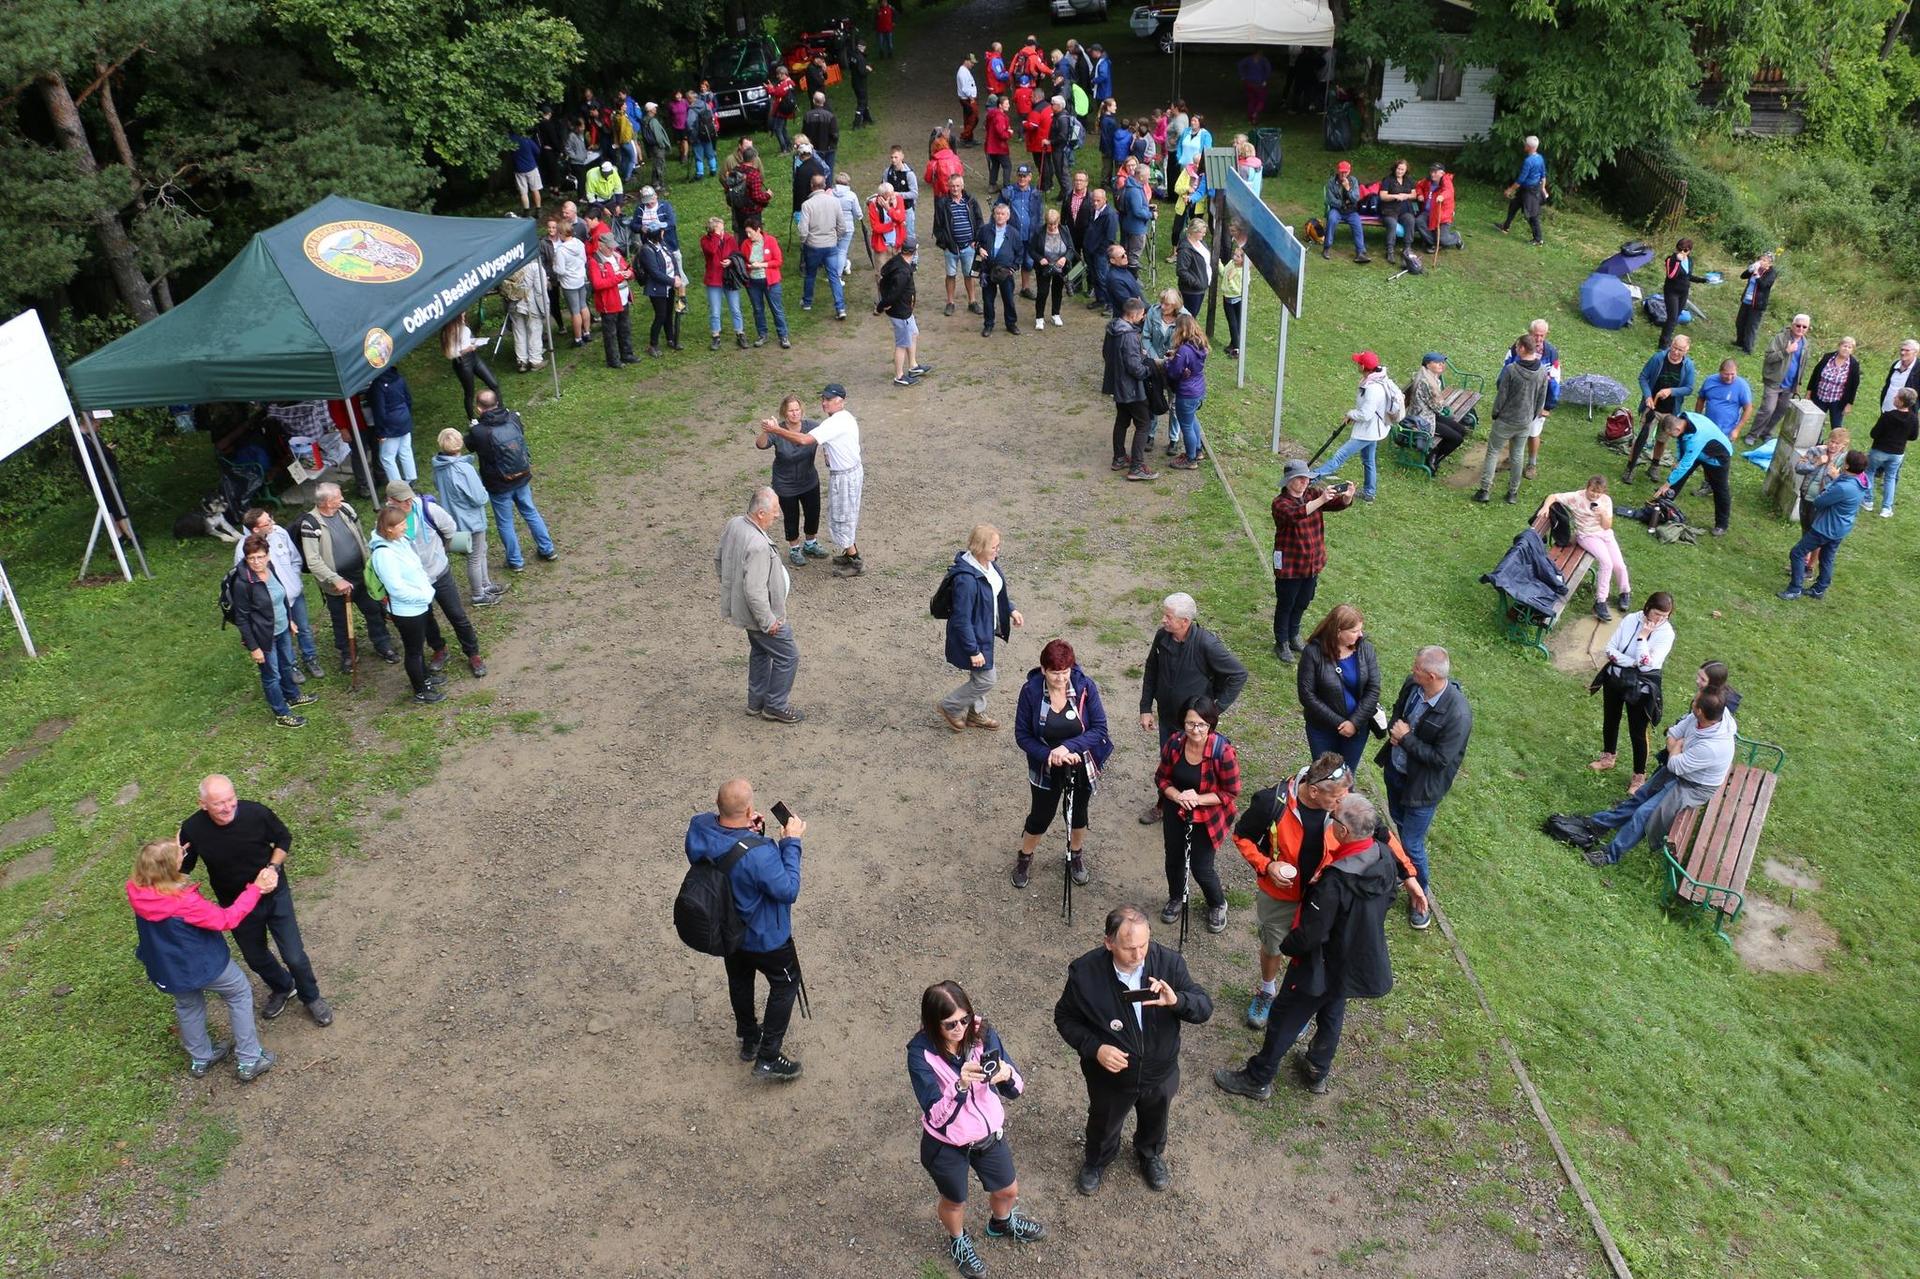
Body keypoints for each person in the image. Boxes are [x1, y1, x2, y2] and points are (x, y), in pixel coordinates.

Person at [1213, 791, 1408, 1101]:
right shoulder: (1383, 857)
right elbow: (1390, 897)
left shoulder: (1335, 881)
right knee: (1332, 1008)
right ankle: (1317, 1069)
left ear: (1343, 832)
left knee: (1283, 1016)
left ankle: (1258, 1077)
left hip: (1320, 964)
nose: (1329, 821)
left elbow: (1310, 936)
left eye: (1334, 817)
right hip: (1351, 959)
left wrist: (1287, 944)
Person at [1052, 905, 1213, 1195]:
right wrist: (1096, 1048)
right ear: (1109, 943)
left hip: (1159, 1072)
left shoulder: (1169, 964)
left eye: (1144, 945)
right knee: (1104, 1120)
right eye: (1129, 948)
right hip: (1110, 1078)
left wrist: (1177, 1001)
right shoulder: (1085, 974)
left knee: (1157, 1115)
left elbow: (1203, 1007)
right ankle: (1097, 1160)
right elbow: (1065, 1018)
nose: (1139, 956)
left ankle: (1150, 1154)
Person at [909, 982, 1044, 1279]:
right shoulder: (920, 1054)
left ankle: (1002, 1221)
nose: (961, 1028)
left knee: (1008, 1189)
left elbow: (1016, 1088)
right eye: (950, 1024)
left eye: (965, 1019)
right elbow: (936, 1117)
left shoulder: (982, 1033)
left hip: (988, 1135)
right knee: (955, 1200)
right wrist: (959, 1086)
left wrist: (1006, 1075)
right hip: (946, 1144)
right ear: (933, 1024)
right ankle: (958, 1240)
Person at [178, 774, 332, 1027]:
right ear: (203, 804)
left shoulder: (255, 814)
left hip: (273, 894)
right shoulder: (193, 829)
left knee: (293, 955)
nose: (228, 808)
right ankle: (283, 986)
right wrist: (172, 864)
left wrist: (273, 868)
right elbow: (184, 867)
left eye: (231, 800)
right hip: (236, 904)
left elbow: (284, 838)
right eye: (219, 804)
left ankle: (311, 997)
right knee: (255, 957)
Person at [127, 838, 279, 1082]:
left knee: (188, 1006)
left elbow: (160, 861)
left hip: (169, 969)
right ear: (169, 869)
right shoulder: (184, 903)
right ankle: (250, 1059)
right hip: (205, 966)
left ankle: (202, 1057)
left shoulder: (136, 889)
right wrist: (256, 889)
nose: (184, 855)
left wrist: (173, 848)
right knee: (239, 993)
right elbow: (227, 919)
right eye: (180, 855)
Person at [684, 779, 806, 1080]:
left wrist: (745, 832)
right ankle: (769, 1056)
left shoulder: (699, 827)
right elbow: (788, 889)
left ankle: (750, 1038)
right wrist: (791, 842)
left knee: (739, 980)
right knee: (786, 985)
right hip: (766, 938)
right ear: (749, 808)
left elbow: (724, 851)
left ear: (717, 804)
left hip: (728, 930)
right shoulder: (760, 854)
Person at [1582, 688, 1736, 866]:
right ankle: (1599, 824)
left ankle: (1610, 855)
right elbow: (1673, 733)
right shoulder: (1704, 716)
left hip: (1693, 786)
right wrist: (1677, 747)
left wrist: (1676, 749)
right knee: (1639, 797)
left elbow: (1675, 765)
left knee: (1644, 814)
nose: (1692, 702)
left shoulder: (1714, 746)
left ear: (1700, 710)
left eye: (1695, 701)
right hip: (1682, 770)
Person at [1377, 646, 1472, 926]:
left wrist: (1405, 739)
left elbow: (1441, 759)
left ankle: (1421, 898)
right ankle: (1403, 869)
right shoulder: (1414, 685)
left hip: (1422, 789)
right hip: (1397, 773)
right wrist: (1396, 731)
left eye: (1416, 669)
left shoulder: (1458, 715)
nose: (1411, 671)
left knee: (1412, 843)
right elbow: (1399, 710)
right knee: (1399, 823)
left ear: (1431, 676)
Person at [1137, 592, 1247, 824]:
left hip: (1194, 724)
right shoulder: (1163, 637)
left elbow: (1238, 674)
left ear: (1184, 621)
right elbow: (1151, 670)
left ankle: (1194, 807)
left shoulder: (1207, 644)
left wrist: (1215, 709)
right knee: (1168, 765)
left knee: (1195, 765)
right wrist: (1145, 707)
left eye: (1168, 616)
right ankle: (1163, 805)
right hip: (1168, 717)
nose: (1163, 620)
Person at [1011, 639, 1112, 889]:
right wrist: (1050, 754)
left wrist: (1068, 748)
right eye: (1055, 673)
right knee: (1040, 816)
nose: (1060, 679)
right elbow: (1022, 735)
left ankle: (1075, 855)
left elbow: (1099, 729)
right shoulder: (1031, 691)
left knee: (1078, 814)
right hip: (1045, 765)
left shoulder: (1085, 686)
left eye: (1065, 673)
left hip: (1079, 761)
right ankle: (1025, 857)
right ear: (1044, 669)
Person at [382, 482, 486, 678]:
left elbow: (450, 529)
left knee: (457, 615)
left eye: (409, 498)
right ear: (391, 501)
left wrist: (440, 552)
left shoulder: (429, 509)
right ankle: (439, 649)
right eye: (402, 501)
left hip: (439, 572)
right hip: (415, 581)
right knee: (426, 619)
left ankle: (473, 653)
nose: (408, 503)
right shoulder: (387, 519)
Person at [1154, 697, 1239, 934]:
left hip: (1208, 816)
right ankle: (1176, 898)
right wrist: (1177, 796)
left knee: (1201, 866)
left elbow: (1231, 792)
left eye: (1202, 724)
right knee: (1174, 858)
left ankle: (1217, 903)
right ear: (1183, 723)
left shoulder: (1223, 752)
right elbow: (1161, 778)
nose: (1196, 730)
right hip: (1175, 808)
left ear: (1211, 724)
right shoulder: (1174, 743)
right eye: (1190, 724)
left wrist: (1197, 799)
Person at [717, 487, 801, 723]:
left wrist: (731, 590)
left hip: (744, 612)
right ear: (761, 513)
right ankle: (775, 705)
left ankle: (756, 702)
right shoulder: (758, 545)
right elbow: (754, 591)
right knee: (788, 656)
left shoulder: (735, 524)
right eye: (775, 511)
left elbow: (719, 559)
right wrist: (769, 621)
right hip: (761, 616)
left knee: (761, 652)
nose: (778, 515)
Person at [761, 384, 864, 576]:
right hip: (844, 474)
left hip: (845, 477)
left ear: (840, 401)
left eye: (828, 400)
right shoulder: (842, 418)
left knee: (843, 517)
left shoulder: (835, 422)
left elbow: (804, 440)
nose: (823, 403)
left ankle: (855, 561)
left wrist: (776, 430)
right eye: (823, 399)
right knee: (840, 516)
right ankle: (849, 554)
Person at [298, 484, 399, 673]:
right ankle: (348, 654)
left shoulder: (346, 510)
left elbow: (361, 537)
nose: (342, 498)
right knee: (341, 620)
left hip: (361, 574)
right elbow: (313, 561)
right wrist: (335, 579)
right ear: (327, 502)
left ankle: (383, 644)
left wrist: (370, 561)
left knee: (374, 610)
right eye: (338, 496)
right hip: (335, 584)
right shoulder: (310, 524)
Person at [939, 524, 1025, 733]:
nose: (998, 551)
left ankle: (976, 714)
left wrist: (1010, 610)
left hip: (984, 632)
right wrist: (973, 650)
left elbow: (996, 593)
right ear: (979, 548)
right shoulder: (966, 581)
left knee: (979, 677)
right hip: (975, 639)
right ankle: (950, 706)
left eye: (998, 546)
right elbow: (961, 619)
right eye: (994, 547)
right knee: (986, 679)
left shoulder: (988, 565)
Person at [228, 534, 320, 728]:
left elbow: (281, 597)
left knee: (287, 664)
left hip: (282, 629)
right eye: (251, 558)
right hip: (263, 637)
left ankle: (292, 695)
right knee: (272, 676)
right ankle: (282, 713)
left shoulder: (270, 569)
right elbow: (242, 619)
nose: (256, 562)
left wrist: (289, 621)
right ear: (245, 558)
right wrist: (254, 648)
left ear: (268, 556)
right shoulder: (242, 583)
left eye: (260, 557)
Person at [465, 389, 558, 575]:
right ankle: (547, 549)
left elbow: (469, 446)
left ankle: (516, 561)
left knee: (505, 522)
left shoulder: (478, 431)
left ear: (478, 408)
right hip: (522, 476)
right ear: (497, 403)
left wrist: (472, 428)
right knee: (530, 512)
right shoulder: (514, 419)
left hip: (498, 485)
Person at [1589, 591, 1674, 790]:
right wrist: (1632, 662)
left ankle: (1639, 776)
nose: (1660, 620)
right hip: (1616, 678)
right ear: (1647, 609)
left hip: (1642, 687)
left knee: (1638, 731)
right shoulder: (1630, 619)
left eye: (1665, 616)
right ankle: (1608, 756)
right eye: (1656, 614)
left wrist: (1642, 638)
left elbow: (1646, 667)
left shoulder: (1666, 633)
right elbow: (1611, 649)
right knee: (1610, 718)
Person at [367, 507, 449, 704]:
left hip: (420, 603)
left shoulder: (399, 541)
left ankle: (426, 678)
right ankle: (420, 690)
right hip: (407, 610)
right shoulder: (384, 555)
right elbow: (396, 588)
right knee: (414, 651)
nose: (406, 527)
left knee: (419, 648)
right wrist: (423, 596)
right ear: (388, 529)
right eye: (402, 525)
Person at [231, 508, 322, 680]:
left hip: (294, 595)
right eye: (268, 522)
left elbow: (295, 559)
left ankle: (311, 659)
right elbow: (244, 579)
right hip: (272, 604)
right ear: (256, 529)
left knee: (304, 628)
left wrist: (293, 580)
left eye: (270, 519)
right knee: (284, 635)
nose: (273, 523)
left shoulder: (279, 533)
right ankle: (292, 666)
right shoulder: (243, 549)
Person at [1270, 458, 1344, 664]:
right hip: (1290, 565)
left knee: (1303, 601)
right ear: (1288, 481)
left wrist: (1346, 497)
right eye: (1299, 478)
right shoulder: (1280, 503)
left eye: (1306, 477)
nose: (1304, 481)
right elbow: (1295, 515)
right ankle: (1281, 642)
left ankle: (1294, 636)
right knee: (1286, 603)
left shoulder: (1312, 494)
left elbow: (1336, 504)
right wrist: (1321, 500)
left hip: (1311, 564)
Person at [1296, 604, 1380, 775]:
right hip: (1322, 728)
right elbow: (1307, 695)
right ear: (1338, 631)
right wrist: (1339, 723)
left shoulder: (1366, 650)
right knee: (1324, 776)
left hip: (1357, 729)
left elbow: (1373, 689)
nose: (1361, 635)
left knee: (1346, 776)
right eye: (1355, 631)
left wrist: (1354, 723)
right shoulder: (1313, 653)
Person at [1779, 449, 1870, 600]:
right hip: (1841, 528)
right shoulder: (1862, 479)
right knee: (1827, 558)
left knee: (1797, 552)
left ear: (1846, 466)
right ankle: (1819, 590)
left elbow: (1819, 501)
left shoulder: (1843, 487)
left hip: (1826, 528)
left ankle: (1795, 589)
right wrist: (1839, 477)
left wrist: (1833, 480)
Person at [431, 429, 505, 608]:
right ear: (460, 444)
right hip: (471, 520)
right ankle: (478, 594)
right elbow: (479, 497)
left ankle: (485, 584)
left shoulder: (439, 467)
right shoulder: (463, 469)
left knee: (481, 550)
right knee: (475, 556)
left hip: (454, 517)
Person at [1545, 475, 1631, 621]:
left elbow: (1606, 526)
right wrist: (1546, 507)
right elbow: (1553, 496)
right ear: (1587, 487)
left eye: (1598, 492)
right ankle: (1600, 601)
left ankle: (1625, 591)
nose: (1595, 495)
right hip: (1587, 535)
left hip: (1605, 534)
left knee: (1619, 565)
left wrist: (1603, 513)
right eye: (1592, 491)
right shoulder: (1576, 497)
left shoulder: (1605, 500)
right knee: (1606, 563)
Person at [1477, 334, 1550, 504]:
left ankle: (1485, 490)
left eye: (1517, 347)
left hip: (1505, 419)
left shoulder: (1512, 370)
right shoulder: (1541, 373)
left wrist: (1495, 412)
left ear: (1523, 348)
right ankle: (1512, 494)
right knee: (1517, 455)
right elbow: (1541, 398)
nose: (1516, 349)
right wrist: (1531, 416)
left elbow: (1502, 395)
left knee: (1493, 452)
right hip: (1525, 421)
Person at [754, 395, 826, 567]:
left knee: (812, 513)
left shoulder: (812, 427)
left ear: (801, 411)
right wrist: (768, 430)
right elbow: (761, 445)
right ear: (784, 414)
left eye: (797, 410)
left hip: (809, 480)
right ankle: (794, 548)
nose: (794, 414)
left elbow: (827, 437)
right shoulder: (779, 431)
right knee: (791, 516)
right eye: (790, 411)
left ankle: (811, 543)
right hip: (785, 484)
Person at [1318, 350, 1394, 501]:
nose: (1357, 364)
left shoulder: (1373, 388)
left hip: (1368, 431)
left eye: (1359, 362)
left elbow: (1366, 414)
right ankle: (1369, 493)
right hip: (1374, 430)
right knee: (1368, 460)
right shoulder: (1377, 380)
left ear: (1363, 366)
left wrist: (1351, 414)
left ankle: (1310, 478)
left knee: (1339, 456)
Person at [1648, 411, 1734, 537]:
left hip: (1716, 456)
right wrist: (1678, 458)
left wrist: (1666, 484)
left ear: (1677, 429)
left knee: (1720, 489)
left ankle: (1721, 524)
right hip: (1697, 451)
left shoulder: (1696, 437)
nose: (1672, 437)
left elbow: (1685, 465)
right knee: (1678, 478)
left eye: (1671, 435)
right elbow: (1680, 441)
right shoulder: (1681, 419)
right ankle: (1662, 507)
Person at [1625, 334, 1696, 482]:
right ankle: (1630, 468)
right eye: (1674, 348)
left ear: (1687, 350)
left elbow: (1689, 388)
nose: (1676, 352)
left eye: (1681, 350)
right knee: (1642, 438)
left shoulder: (1688, 366)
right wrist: (1648, 396)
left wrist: (1671, 391)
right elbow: (1643, 377)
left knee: (1662, 440)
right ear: (1671, 345)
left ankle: (1654, 466)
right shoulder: (1658, 358)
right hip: (1652, 407)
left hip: (1670, 411)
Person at [1102, 297, 1158, 482]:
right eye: (1142, 315)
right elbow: (1135, 367)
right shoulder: (1129, 336)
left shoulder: (1113, 329)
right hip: (1132, 388)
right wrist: (1149, 370)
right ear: (1133, 314)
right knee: (1144, 424)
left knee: (1122, 420)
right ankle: (1137, 466)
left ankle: (1119, 457)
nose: (1143, 318)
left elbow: (1106, 354)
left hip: (1117, 384)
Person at [1750, 314, 1812, 447]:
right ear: (1792, 324)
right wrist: (1786, 351)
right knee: (1767, 409)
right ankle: (1752, 434)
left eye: (1804, 326)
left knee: (1781, 411)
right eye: (1798, 325)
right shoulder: (1780, 338)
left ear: (1807, 328)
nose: (1800, 328)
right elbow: (1769, 358)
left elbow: (1802, 365)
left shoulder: (1805, 344)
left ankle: (1766, 433)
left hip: (1790, 385)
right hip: (1774, 381)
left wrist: (1798, 383)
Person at [876, 238, 929, 388]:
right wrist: (882, 306)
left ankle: (912, 366)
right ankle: (899, 376)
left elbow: (884, 277)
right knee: (901, 344)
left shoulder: (897, 261)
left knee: (913, 334)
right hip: (900, 312)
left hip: (905, 310)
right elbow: (894, 294)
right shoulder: (903, 272)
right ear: (914, 251)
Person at [974, 199, 1027, 338]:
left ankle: (1011, 324)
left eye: (1003, 214)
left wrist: (1013, 268)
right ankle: (988, 324)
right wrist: (979, 249)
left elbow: (1020, 252)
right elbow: (976, 243)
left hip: (1006, 272)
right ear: (993, 215)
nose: (1000, 216)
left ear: (1008, 216)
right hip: (987, 270)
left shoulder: (1014, 233)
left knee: (1008, 299)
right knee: (988, 300)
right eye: (997, 213)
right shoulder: (985, 230)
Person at [933, 174, 983, 317]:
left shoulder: (971, 201)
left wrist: (976, 240)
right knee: (950, 275)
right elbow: (937, 227)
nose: (955, 188)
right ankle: (950, 302)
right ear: (948, 187)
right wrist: (946, 243)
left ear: (962, 186)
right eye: (952, 186)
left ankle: (972, 301)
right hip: (951, 247)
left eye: (957, 186)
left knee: (969, 274)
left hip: (969, 246)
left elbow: (979, 221)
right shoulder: (942, 203)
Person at [1164, 315, 1209, 470]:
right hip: (1198, 389)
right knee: (1192, 420)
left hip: (1186, 392)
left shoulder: (1184, 350)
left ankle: (1190, 459)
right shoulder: (1201, 345)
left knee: (1186, 426)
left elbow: (1173, 372)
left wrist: (1170, 362)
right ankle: (1198, 451)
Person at [439, 311, 501, 422]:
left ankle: (500, 410)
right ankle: (472, 420)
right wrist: (467, 349)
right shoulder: (448, 332)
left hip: (474, 358)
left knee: (494, 384)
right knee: (469, 392)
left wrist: (472, 345)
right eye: (461, 317)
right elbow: (450, 354)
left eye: (464, 316)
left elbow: (466, 341)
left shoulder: (464, 328)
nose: (463, 319)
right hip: (462, 363)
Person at [740, 216, 791, 350]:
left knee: (776, 309)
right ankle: (762, 334)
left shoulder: (770, 241)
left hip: (771, 282)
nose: (748, 235)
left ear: (758, 230)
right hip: (753, 283)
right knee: (758, 310)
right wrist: (748, 267)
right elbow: (743, 261)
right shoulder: (745, 244)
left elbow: (778, 261)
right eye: (747, 233)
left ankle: (783, 335)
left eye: (750, 232)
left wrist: (762, 265)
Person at [588, 234, 638, 368]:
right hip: (609, 302)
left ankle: (627, 354)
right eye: (609, 247)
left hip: (623, 298)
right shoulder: (594, 261)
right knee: (610, 333)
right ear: (601, 246)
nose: (612, 249)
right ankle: (613, 360)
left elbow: (628, 270)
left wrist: (630, 274)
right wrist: (618, 278)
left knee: (625, 328)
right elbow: (598, 284)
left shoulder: (616, 255)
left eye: (613, 246)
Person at [1868, 386, 1918, 516]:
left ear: (1901, 402)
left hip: (1879, 451)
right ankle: (1886, 508)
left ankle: (1868, 501)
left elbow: (1874, 433)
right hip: (1897, 454)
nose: (1894, 398)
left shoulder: (1888, 416)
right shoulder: (1913, 419)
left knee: (1870, 472)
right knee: (1890, 478)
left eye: (1896, 397)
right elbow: (1913, 436)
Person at [365, 366, 417, 487]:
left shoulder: (378, 385)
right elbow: (408, 399)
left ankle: (398, 486)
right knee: (405, 449)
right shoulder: (399, 378)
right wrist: (405, 413)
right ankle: (411, 477)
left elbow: (380, 411)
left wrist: (381, 432)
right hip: (404, 417)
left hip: (390, 424)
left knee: (387, 457)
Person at [699, 217, 746, 351]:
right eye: (719, 227)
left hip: (729, 277)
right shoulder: (705, 240)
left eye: (722, 227)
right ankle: (716, 335)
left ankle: (740, 333)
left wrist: (731, 261)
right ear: (713, 229)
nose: (723, 230)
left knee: (735, 308)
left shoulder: (729, 238)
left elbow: (737, 254)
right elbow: (712, 250)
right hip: (714, 279)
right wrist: (716, 236)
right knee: (715, 311)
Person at [1655, 238, 1708, 351]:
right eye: (1680, 249)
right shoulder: (1671, 259)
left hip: (1683, 292)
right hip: (1671, 291)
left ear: (1689, 250)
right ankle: (1663, 344)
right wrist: (1678, 261)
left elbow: (1688, 276)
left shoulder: (1689, 260)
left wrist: (1703, 280)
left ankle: (1668, 338)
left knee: (1676, 316)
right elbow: (1671, 275)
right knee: (1672, 317)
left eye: (1685, 250)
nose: (1682, 252)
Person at [1496, 134, 1548, 245]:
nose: (1524, 145)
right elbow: (1543, 175)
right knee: (1514, 205)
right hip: (1529, 188)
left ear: (1529, 147)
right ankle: (1505, 227)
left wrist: (1509, 190)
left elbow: (1520, 180)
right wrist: (1543, 188)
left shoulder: (1528, 161)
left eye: (1525, 144)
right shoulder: (1540, 158)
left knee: (1532, 214)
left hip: (1530, 191)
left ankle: (1538, 239)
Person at [1029, 206, 1075, 331]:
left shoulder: (1065, 230)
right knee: (1042, 292)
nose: (1052, 227)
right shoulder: (1039, 232)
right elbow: (1031, 250)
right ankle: (1039, 317)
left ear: (1058, 221)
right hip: (1044, 268)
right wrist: (1040, 259)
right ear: (1046, 222)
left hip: (1060, 267)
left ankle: (1056, 314)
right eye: (1050, 224)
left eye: (1054, 224)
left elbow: (1071, 249)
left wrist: (1065, 258)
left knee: (1057, 291)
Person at [1808, 336, 1862, 433]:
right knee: (1814, 424)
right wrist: (1809, 392)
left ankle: (1835, 445)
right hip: (1820, 397)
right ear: (1839, 346)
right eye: (1844, 346)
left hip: (1837, 400)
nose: (1846, 349)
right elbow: (1815, 374)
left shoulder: (1853, 365)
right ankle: (1814, 444)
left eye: (1849, 347)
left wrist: (1849, 404)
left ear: (1852, 350)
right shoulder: (1827, 357)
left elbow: (1854, 386)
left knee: (1836, 427)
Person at [1695, 358, 1755, 441]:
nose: (1729, 377)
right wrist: (1698, 417)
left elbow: (1748, 408)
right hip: (1707, 426)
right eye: (1726, 374)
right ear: (1720, 372)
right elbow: (1701, 399)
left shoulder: (1742, 386)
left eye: (1732, 374)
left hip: (1727, 431)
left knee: (1720, 453)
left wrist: (1737, 430)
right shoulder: (1710, 381)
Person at [552, 220, 591, 348]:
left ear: (562, 233)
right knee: (583, 306)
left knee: (575, 311)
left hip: (569, 283)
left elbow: (561, 270)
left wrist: (554, 266)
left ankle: (578, 338)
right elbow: (584, 259)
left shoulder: (561, 250)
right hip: (581, 278)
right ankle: (587, 332)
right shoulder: (579, 243)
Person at [1321, 160, 1367, 262]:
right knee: (1332, 219)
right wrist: (1342, 204)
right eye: (1342, 172)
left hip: (1351, 211)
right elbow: (1330, 200)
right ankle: (1327, 248)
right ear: (1338, 171)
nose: (1343, 174)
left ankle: (1360, 252)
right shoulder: (1331, 182)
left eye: (1346, 172)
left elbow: (1355, 198)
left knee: (1357, 224)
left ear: (1349, 171)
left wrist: (1348, 188)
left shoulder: (1353, 181)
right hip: (1337, 210)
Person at [1375, 158, 1419, 265]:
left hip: (1404, 210)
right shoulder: (1388, 180)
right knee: (1392, 223)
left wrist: (1405, 196)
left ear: (1406, 170)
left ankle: (1407, 248)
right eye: (1398, 169)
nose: (1400, 171)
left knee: (1410, 220)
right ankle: (1390, 250)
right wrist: (1395, 196)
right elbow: (1382, 196)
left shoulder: (1409, 180)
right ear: (1395, 168)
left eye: (1402, 170)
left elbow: (1414, 194)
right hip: (1389, 210)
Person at [1733, 253, 1777, 353]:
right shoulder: (1755, 268)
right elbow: (1742, 276)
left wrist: (1757, 274)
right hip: (1746, 300)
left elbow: (1763, 285)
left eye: (1764, 260)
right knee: (1740, 322)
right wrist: (1750, 269)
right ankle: (1740, 342)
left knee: (1751, 326)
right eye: (1761, 259)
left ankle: (1748, 348)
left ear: (1770, 263)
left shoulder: (1771, 273)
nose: (1761, 262)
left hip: (1758, 303)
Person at [1173, 218, 1210, 320]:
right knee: (1188, 318)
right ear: (1194, 232)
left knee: (1193, 315)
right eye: (1202, 232)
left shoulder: (1202, 243)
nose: (1204, 235)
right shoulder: (1185, 249)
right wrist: (1197, 283)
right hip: (1191, 291)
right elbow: (1181, 270)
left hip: (1201, 287)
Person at [1220, 234, 1247, 358]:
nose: (1234, 257)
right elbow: (1224, 273)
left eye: (1237, 256)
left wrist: (1230, 281)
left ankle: (1237, 349)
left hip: (1235, 299)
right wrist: (1218, 263)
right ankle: (1233, 343)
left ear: (1243, 260)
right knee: (1232, 323)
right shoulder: (1231, 264)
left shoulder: (1243, 272)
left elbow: (1240, 290)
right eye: (1234, 254)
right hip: (1226, 297)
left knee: (1234, 323)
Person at [1238, 50, 1272, 121]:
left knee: (1251, 100)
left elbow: (1240, 65)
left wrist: (1243, 76)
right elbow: (1268, 70)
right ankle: (1256, 113)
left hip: (1249, 82)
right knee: (1261, 100)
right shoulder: (1263, 60)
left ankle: (1250, 116)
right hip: (1259, 83)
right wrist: (1265, 80)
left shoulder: (1248, 59)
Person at [846, 39, 874, 127]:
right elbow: (862, 72)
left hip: (854, 82)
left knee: (863, 100)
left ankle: (867, 118)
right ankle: (856, 123)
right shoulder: (860, 58)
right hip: (861, 84)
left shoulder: (852, 55)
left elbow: (852, 66)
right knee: (862, 102)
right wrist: (868, 69)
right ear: (862, 47)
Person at [956, 53, 980, 145]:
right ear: (966, 61)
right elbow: (965, 88)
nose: (973, 64)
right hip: (968, 99)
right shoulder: (963, 72)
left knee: (968, 119)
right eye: (971, 62)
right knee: (974, 118)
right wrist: (971, 98)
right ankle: (965, 137)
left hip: (967, 99)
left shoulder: (964, 71)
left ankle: (968, 138)